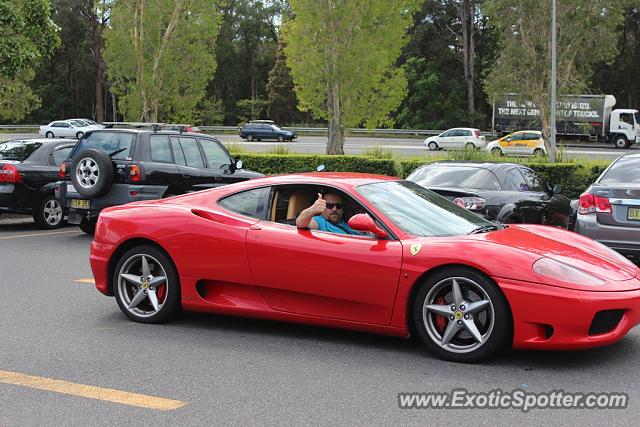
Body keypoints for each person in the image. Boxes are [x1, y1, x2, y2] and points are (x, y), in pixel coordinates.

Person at [296, 192, 361, 235]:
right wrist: (312, 209)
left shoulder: (348, 221)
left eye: (338, 206)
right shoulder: (319, 221)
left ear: (342, 209)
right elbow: (300, 223)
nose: (334, 209)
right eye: (329, 205)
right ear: (322, 207)